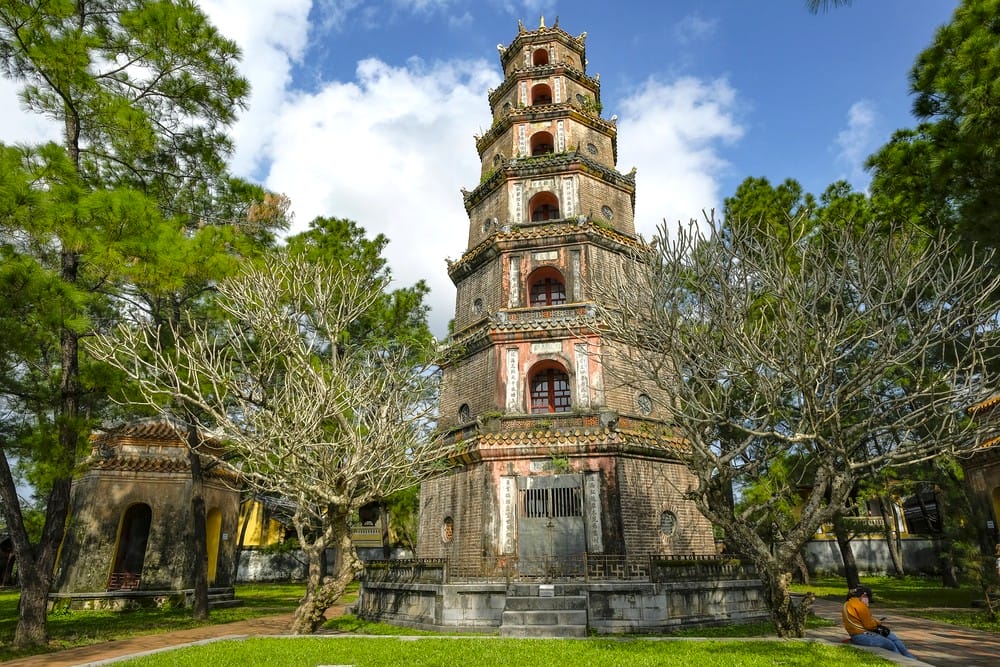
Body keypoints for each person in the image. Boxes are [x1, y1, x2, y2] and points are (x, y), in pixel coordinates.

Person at [842, 585, 917, 659]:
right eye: (868, 599)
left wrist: (874, 622)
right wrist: (877, 622)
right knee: (890, 644)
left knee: (891, 637)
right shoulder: (860, 605)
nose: (868, 602)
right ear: (863, 595)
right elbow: (869, 626)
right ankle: (904, 660)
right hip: (861, 636)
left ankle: (909, 658)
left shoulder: (848, 603)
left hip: (858, 634)